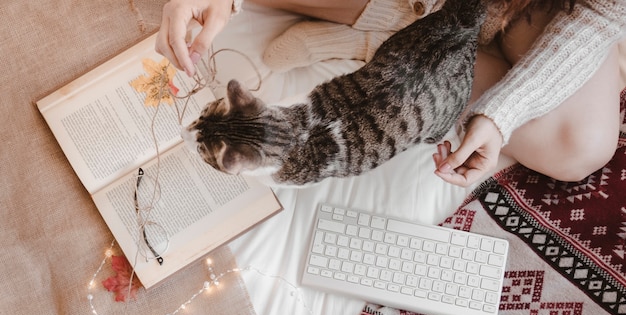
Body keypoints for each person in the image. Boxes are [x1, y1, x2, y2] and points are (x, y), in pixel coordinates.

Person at [155, 0, 626, 187]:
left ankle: (383, 40)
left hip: (551, 11)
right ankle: (404, 31)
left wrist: (500, 114)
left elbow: (600, 16)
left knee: (580, 148)